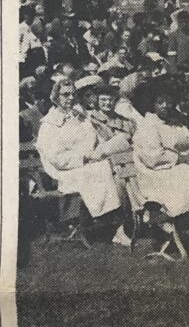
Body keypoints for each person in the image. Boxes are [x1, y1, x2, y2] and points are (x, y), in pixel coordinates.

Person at [133, 82, 189, 250]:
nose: (165, 105)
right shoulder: (147, 126)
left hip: (176, 169)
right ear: (152, 104)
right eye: (160, 102)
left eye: (168, 101)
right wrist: (181, 159)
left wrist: (187, 159)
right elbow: (153, 158)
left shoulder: (175, 123)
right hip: (155, 176)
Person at [35, 78, 124, 221]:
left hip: (90, 161)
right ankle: (111, 218)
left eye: (72, 94)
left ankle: (122, 216)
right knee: (104, 169)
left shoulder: (79, 117)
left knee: (117, 166)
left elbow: (93, 138)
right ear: (55, 97)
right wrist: (86, 158)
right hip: (65, 170)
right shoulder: (49, 125)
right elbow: (56, 158)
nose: (70, 98)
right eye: (65, 95)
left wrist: (100, 151)